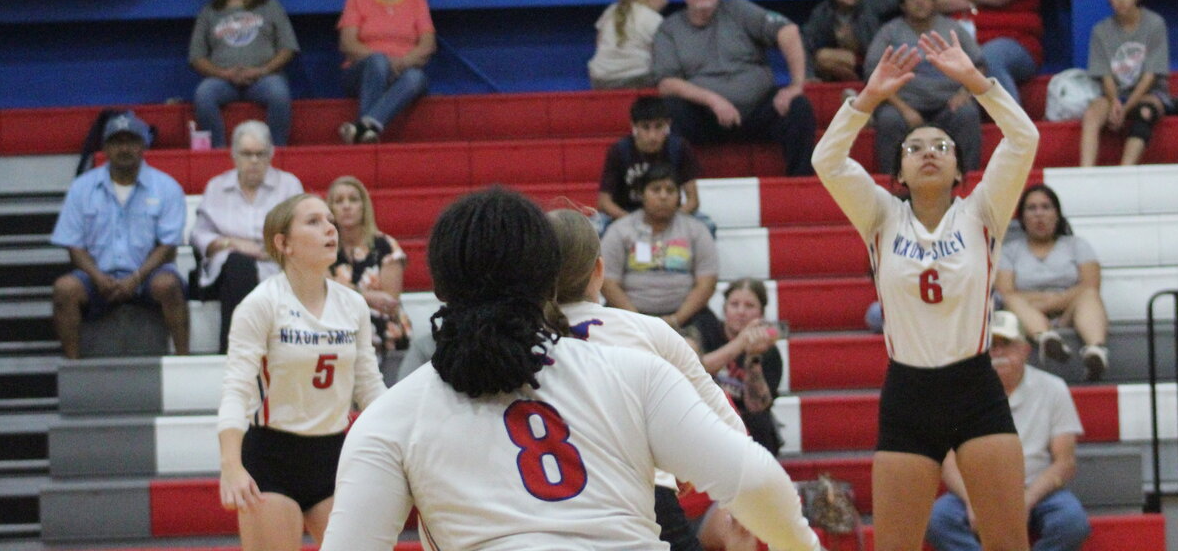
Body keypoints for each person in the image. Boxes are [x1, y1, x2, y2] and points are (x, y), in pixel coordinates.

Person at [320, 187, 824, 551]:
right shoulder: (634, 371)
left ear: (441, 290)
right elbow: (756, 479)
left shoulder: (391, 416)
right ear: (547, 280)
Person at [813, 33, 1040, 551]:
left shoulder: (983, 211)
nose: (929, 153)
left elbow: (1022, 138)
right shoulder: (878, 215)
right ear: (898, 174)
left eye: (941, 147)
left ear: (961, 169)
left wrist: (976, 82)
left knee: (1009, 543)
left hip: (976, 390)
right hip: (908, 396)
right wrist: (867, 99)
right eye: (915, 148)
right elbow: (828, 160)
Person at [547, 207, 746, 551]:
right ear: (599, 270)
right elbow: (732, 436)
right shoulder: (647, 331)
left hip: (542, 510)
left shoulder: (507, 343)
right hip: (644, 503)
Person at [218, 194, 386, 551]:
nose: (330, 227)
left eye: (329, 220)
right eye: (313, 221)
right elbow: (236, 389)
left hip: (335, 454)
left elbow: (370, 386)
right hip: (272, 458)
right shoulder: (261, 304)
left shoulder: (353, 304)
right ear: (283, 243)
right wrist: (231, 465)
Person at [926, 311, 1090, 551]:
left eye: (1006, 344)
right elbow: (947, 460)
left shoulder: (1053, 388)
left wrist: (1027, 499)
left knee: (1072, 523)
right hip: (976, 487)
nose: (998, 353)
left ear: (1025, 349)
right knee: (937, 520)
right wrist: (973, 501)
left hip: (1037, 488)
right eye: (991, 346)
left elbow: (1065, 462)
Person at [652, 0, 817, 178]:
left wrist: (796, 85)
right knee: (668, 110)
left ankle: (801, 184)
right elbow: (666, 83)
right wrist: (713, 100)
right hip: (704, 116)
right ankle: (675, 188)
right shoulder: (669, 29)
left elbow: (789, 31)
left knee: (799, 106)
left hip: (758, 110)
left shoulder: (740, 9)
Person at [50, 112, 189, 359]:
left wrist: (136, 278)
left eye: (131, 141)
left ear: (143, 145)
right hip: (96, 276)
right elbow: (73, 245)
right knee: (64, 289)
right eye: (116, 142)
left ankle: (183, 359)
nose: (124, 148)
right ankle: (74, 366)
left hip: (147, 275)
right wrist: (99, 278)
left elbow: (167, 246)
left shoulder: (167, 187)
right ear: (105, 147)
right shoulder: (82, 188)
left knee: (168, 285)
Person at [190, 120, 303, 353]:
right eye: (246, 154)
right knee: (238, 265)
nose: (253, 161)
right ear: (233, 155)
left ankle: (235, 351)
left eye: (260, 154)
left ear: (271, 154)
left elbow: (302, 233)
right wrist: (232, 243)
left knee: (245, 271)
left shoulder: (289, 185)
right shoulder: (217, 187)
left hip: (277, 266)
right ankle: (245, 350)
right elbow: (199, 234)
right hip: (227, 270)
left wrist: (270, 250)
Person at [865, 0, 987, 175]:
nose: (920, 2)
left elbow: (979, 65)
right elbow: (873, 75)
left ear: (934, 1)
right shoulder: (889, 32)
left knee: (968, 114)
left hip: (949, 103)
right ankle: (894, 185)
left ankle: (966, 180)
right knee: (889, 120)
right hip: (903, 104)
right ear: (902, 4)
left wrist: (964, 94)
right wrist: (904, 109)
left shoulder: (952, 28)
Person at [188, 0, 299, 148]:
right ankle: (219, 153)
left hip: (264, 78)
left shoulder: (270, 6)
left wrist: (262, 70)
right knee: (203, 94)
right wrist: (224, 73)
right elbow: (197, 57)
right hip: (223, 80)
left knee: (279, 93)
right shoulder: (209, 12)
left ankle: (275, 151)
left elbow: (288, 48)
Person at [997, 184, 1109, 381]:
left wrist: (1047, 301)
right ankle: (1047, 339)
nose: (1039, 214)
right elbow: (1004, 291)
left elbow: (1091, 285)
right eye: (1032, 208)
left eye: (1046, 207)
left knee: (1089, 295)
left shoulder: (1077, 245)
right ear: (1022, 217)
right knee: (1010, 300)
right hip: (1026, 317)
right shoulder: (1008, 250)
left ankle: (1095, 351)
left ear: (1057, 214)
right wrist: (1061, 296)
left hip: (1069, 315)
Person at [599, 164, 721, 340]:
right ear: (642, 194)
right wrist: (638, 320)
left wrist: (676, 319)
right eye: (656, 189)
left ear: (679, 196)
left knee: (709, 328)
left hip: (686, 318)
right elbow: (608, 282)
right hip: (629, 317)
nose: (663, 196)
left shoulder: (696, 230)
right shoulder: (620, 230)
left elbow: (707, 282)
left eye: (670, 190)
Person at [336, 0, 435, 144]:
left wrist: (403, 63)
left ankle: (363, 129)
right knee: (378, 62)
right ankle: (366, 132)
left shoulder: (417, 0)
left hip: (403, 72)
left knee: (416, 78)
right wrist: (385, 61)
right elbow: (348, 44)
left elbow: (428, 45)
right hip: (361, 72)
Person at [1079, 0, 1172, 167]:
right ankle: (1085, 174)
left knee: (1144, 112)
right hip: (1115, 94)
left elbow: (1150, 76)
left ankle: (1124, 172)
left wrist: (1126, 107)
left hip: (1150, 92)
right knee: (1092, 114)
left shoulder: (1155, 24)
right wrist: (1115, 103)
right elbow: (1105, 75)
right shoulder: (1100, 31)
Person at [326, 176, 411, 381]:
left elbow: (390, 301)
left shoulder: (385, 245)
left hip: (387, 336)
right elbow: (323, 294)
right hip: (339, 335)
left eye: (353, 200)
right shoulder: (325, 248)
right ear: (331, 210)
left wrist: (346, 293)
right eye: (339, 201)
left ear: (364, 206)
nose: (346, 206)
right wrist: (369, 296)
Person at [596, 94, 708, 235]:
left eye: (658, 127)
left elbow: (693, 201)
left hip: (670, 213)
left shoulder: (679, 148)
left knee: (707, 226)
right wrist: (633, 222)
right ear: (634, 126)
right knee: (594, 228)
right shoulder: (620, 151)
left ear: (668, 124)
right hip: (628, 212)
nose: (652, 135)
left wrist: (668, 221)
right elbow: (604, 202)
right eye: (646, 127)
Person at [696, 278, 784, 457]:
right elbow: (694, 368)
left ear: (761, 313)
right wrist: (740, 343)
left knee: (761, 422)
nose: (741, 312)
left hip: (744, 418)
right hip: (705, 411)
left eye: (749, 306)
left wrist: (753, 359)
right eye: (734, 305)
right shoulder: (706, 330)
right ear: (725, 309)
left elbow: (757, 406)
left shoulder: (769, 352)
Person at [802, 0, 886, 83]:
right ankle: (858, 84)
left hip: (873, 61)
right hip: (847, 66)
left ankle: (867, 82)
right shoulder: (822, 12)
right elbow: (805, 41)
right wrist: (808, 76)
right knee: (822, 57)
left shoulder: (871, 3)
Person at [588, 0, 669, 89]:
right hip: (637, 81)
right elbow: (661, 56)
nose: (666, 1)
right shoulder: (653, 19)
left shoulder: (611, 11)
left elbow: (599, 43)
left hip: (599, 81)